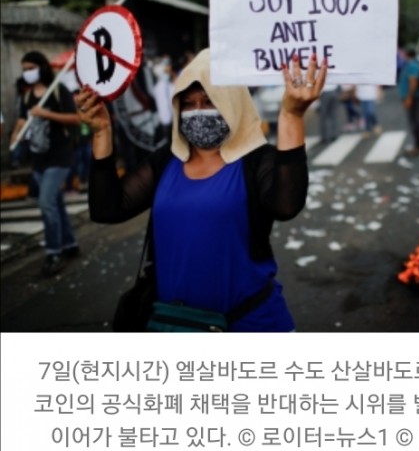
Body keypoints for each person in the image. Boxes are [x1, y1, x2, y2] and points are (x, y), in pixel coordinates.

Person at [78, 49, 327, 332]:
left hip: (250, 323)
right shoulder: (166, 161)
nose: (198, 111)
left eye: (210, 101)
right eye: (188, 103)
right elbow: (107, 208)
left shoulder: (258, 160)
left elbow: (287, 205)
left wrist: (292, 115)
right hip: (176, 326)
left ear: (232, 103)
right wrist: (101, 133)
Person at [9, 51, 81, 276]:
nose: (27, 72)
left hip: (59, 157)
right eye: (24, 68)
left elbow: (76, 118)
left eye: (30, 67)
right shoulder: (28, 96)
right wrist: (15, 134)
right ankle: (70, 244)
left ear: (41, 67)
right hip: (38, 158)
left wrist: (46, 114)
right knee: (56, 203)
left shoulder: (58, 91)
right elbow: (22, 119)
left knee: (46, 203)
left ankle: (54, 252)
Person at [398, 47, 419, 156]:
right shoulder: (410, 65)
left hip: (415, 99)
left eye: (402, 54)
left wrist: (409, 97)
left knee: (416, 122)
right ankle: (418, 144)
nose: (401, 56)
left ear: (407, 54)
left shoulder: (413, 65)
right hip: (413, 98)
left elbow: (413, 82)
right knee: (414, 122)